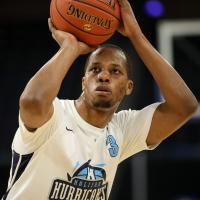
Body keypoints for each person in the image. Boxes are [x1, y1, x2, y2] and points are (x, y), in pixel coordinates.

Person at [2, 0, 198, 199]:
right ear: (83, 82)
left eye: (115, 71)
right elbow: (31, 102)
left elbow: (185, 106)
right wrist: (69, 48)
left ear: (128, 87)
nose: (104, 76)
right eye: (95, 69)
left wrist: (136, 36)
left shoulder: (121, 130)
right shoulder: (55, 116)